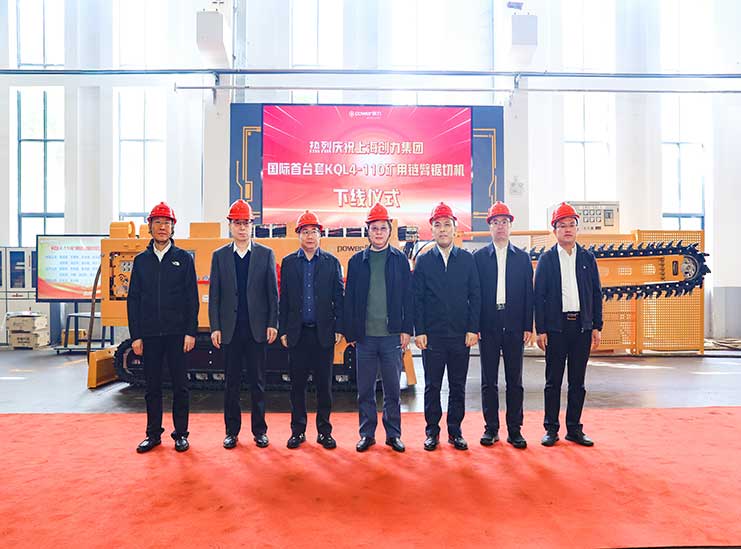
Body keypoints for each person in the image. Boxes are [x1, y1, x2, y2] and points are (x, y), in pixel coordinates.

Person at [128, 202, 198, 454]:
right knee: (152, 387)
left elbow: (192, 297)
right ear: (150, 226)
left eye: (166, 223)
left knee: (181, 386)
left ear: (172, 228)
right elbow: (133, 300)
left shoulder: (183, 259)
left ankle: (180, 434)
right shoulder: (141, 261)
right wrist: (136, 336)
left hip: (177, 334)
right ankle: (153, 434)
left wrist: (190, 331)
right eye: (157, 222)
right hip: (150, 334)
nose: (162, 227)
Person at [208, 199, 278, 449]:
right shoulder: (219, 256)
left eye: (246, 223)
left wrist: (272, 323)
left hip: (256, 330)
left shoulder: (265, 254)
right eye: (237, 223)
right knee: (231, 384)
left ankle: (260, 431)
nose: (241, 228)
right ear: (230, 226)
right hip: (230, 330)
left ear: (252, 226)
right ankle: (231, 431)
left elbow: (272, 293)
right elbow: (215, 295)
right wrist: (215, 327)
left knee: (258, 383)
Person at [344, 203, 413, 453]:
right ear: (368, 231)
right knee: (365, 390)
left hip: (392, 335)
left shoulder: (400, 260)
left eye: (383, 228)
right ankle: (367, 433)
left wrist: (406, 329)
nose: (379, 233)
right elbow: (349, 298)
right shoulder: (356, 262)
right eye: (374, 228)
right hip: (365, 337)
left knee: (393, 390)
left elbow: (408, 297)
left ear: (389, 231)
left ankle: (393, 434)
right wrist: (351, 332)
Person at [534, 202, 603, 447]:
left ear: (577, 228)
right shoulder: (547, 259)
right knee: (553, 381)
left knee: (577, 382)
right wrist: (541, 329)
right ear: (554, 230)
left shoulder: (587, 258)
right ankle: (551, 429)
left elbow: (596, 293)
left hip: (581, 328)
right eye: (562, 225)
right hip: (556, 328)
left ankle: (574, 428)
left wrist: (596, 326)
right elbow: (539, 296)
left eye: (571, 225)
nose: (567, 229)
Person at [413, 202, 481, 451]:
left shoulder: (466, 260)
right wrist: (419, 331)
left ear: (455, 229)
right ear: (431, 230)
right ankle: (432, 432)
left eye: (447, 225)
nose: (442, 229)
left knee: (457, 385)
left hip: (460, 335)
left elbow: (475, 296)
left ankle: (455, 431)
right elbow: (417, 299)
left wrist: (473, 329)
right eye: (438, 225)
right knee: (432, 386)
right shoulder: (423, 261)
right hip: (432, 336)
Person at [279, 210, 344, 450]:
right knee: (297, 386)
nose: (309, 236)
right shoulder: (288, 263)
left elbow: (339, 297)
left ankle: (324, 432)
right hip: (297, 334)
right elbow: (284, 299)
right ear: (298, 235)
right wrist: (283, 330)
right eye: (305, 231)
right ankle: (298, 431)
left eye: (314, 231)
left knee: (324, 386)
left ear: (320, 235)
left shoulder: (331, 263)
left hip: (323, 334)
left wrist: (339, 327)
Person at [473, 201, 533, 449]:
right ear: (490, 226)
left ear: (510, 226)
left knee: (514, 380)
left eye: (504, 222)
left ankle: (515, 430)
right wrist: (474, 325)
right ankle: (491, 428)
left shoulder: (522, 258)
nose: (500, 226)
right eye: (496, 222)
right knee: (489, 380)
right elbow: (474, 294)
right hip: (488, 324)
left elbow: (528, 294)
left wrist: (528, 325)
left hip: (514, 323)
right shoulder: (478, 258)